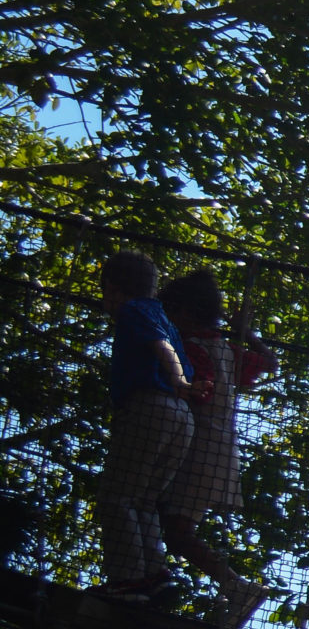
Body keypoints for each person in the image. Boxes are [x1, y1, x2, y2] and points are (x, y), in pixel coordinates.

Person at [158, 269, 275, 629]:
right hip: (219, 451)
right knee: (168, 524)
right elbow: (269, 362)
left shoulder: (191, 348)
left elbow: (200, 389)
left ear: (187, 315)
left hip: (200, 451)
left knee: (174, 529)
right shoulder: (225, 348)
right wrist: (246, 334)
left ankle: (237, 587)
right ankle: (231, 587)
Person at [93, 250, 208, 597]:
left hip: (151, 407)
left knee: (117, 498)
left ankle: (127, 579)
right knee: (143, 499)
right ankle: (154, 574)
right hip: (181, 417)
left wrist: (180, 382)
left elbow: (163, 350)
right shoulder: (164, 316)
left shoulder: (135, 311)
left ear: (112, 287)